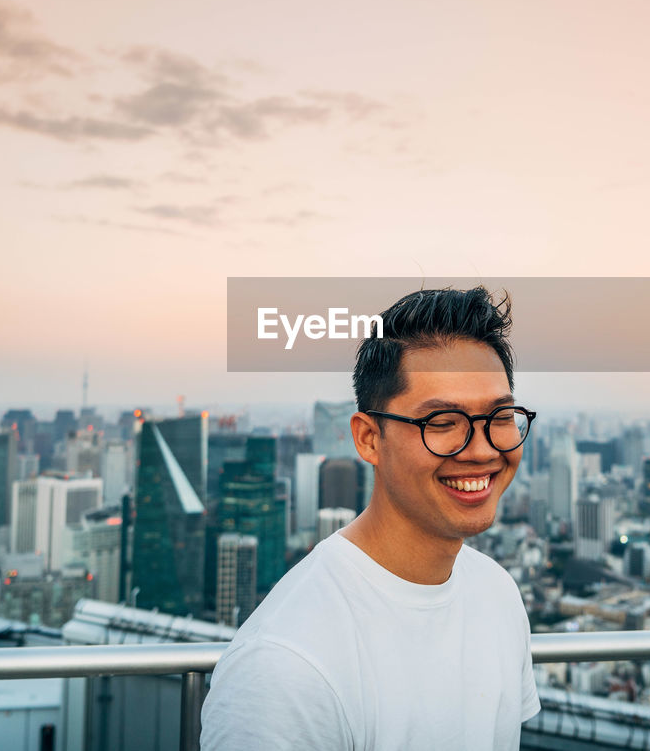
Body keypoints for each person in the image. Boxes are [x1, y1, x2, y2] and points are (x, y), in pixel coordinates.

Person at [201, 286, 540, 750]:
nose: (482, 449)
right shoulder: (286, 665)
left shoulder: (498, 594)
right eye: (442, 422)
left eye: (500, 415)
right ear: (368, 439)